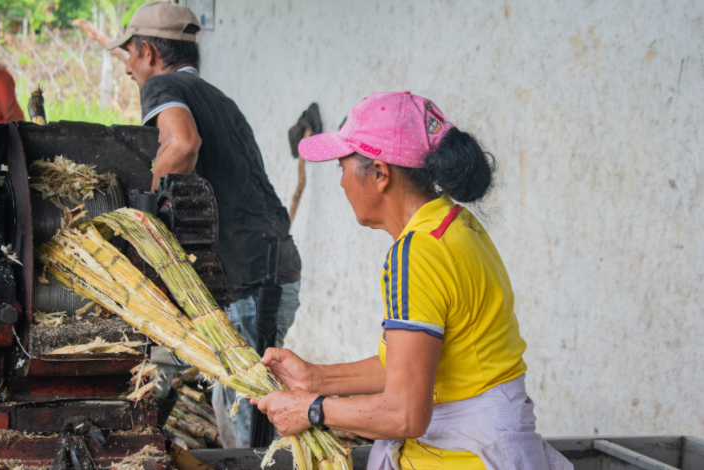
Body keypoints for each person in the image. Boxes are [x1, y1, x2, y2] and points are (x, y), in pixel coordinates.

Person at [254, 92, 573, 470]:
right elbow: (412, 365)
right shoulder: (457, 226)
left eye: (342, 167)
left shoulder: (415, 255)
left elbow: (405, 414)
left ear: (379, 174)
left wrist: (311, 410)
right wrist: (316, 378)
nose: (340, 183)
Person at [107, 2, 302, 448]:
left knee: (246, 426)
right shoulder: (219, 99)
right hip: (272, 270)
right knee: (237, 407)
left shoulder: (162, 84)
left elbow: (182, 144)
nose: (128, 71)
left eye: (131, 58)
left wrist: (144, 214)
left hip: (253, 283)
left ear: (148, 51)